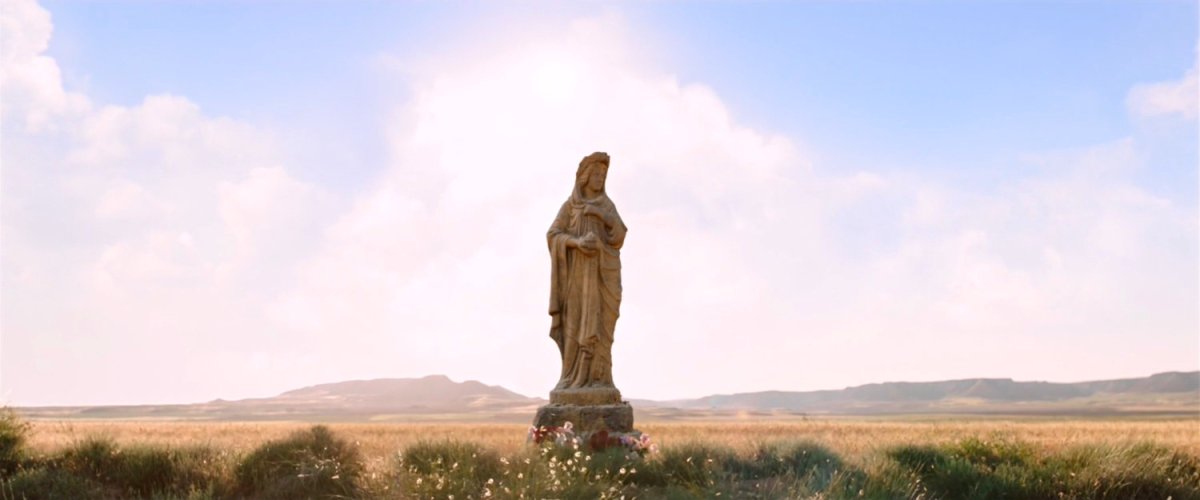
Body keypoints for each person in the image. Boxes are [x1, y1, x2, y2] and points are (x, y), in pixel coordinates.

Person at [547, 152, 627, 392]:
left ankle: (600, 380)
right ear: (584, 176)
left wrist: (601, 215)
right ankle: (571, 379)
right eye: (596, 173)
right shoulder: (571, 207)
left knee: (601, 327)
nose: (600, 178)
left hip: (602, 275)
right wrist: (577, 243)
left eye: (604, 174)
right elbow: (553, 235)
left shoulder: (607, 205)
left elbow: (619, 235)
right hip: (576, 279)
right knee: (575, 323)